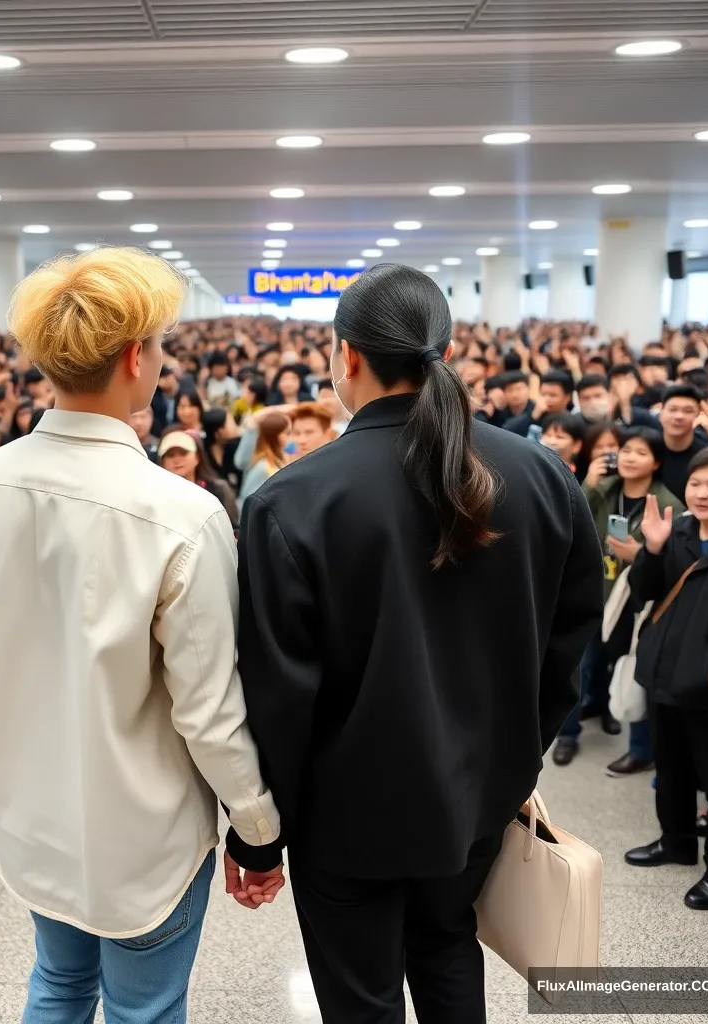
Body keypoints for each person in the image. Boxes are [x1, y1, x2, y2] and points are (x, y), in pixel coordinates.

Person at [235, 264, 602, 1024]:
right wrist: (515, 756)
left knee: (361, 994)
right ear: (443, 349)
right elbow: (569, 641)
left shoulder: (294, 500)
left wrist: (264, 834)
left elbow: (281, 692)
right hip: (478, 793)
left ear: (348, 357)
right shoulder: (539, 475)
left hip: (346, 813)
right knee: (446, 951)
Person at [0, 247, 282, 1024]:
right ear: (137, 357)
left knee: (58, 983)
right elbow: (208, 709)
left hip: (33, 807)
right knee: (145, 1007)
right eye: (160, 345)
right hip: (144, 828)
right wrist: (256, 828)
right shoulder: (180, 512)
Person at [626, 447, 708, 911]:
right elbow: (644, 594)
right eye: (696, 483)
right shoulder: (677, 531)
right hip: (665, 675)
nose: (702, 493)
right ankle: (675, 841)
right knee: (669, 768)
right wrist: (652, 552)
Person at [552, 427, 684, 767]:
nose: (628, 457)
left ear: (656, 462)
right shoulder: (604, 489)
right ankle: (568, 735)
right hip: (595, 593)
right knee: (581, 664)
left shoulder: (668, 504)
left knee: (628, 668)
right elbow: (572, 523)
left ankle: (639, 749)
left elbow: (677, 564)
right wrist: (589, 485)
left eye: (640, 452)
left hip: (636, 603)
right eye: (625, 450)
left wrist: (640, 553)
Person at [158, 430, 238, 528]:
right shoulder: (157, 496)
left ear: (197, 457)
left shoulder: (219, 489)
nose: (177, 460)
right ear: (162, 462)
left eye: (183, 453)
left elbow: (233, 528)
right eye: (170, 455)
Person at [659, 384, 708, 502]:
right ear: (661, 412)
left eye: (688, 411)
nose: (679, 416)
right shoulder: (647, 448)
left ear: (699, 415)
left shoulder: (706, 454)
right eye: (673, 409)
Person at [237, 410, 291, 507]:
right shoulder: (263, 467)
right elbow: (248, 503)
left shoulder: (279, 461)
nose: (291, 438)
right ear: (276, 436)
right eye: (287, 433)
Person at [504, 371, 573, 438]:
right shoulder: (533, 413)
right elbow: (507, 431)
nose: (546, 399)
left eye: (552, 395)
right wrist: (533, 417)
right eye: (543, 394)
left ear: (567, 397)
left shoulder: (573, 421)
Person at [150, 364, 179, 432]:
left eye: (169, 376)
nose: (167, 380)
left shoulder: (183, 391)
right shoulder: (156, 395)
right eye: (163, 377)